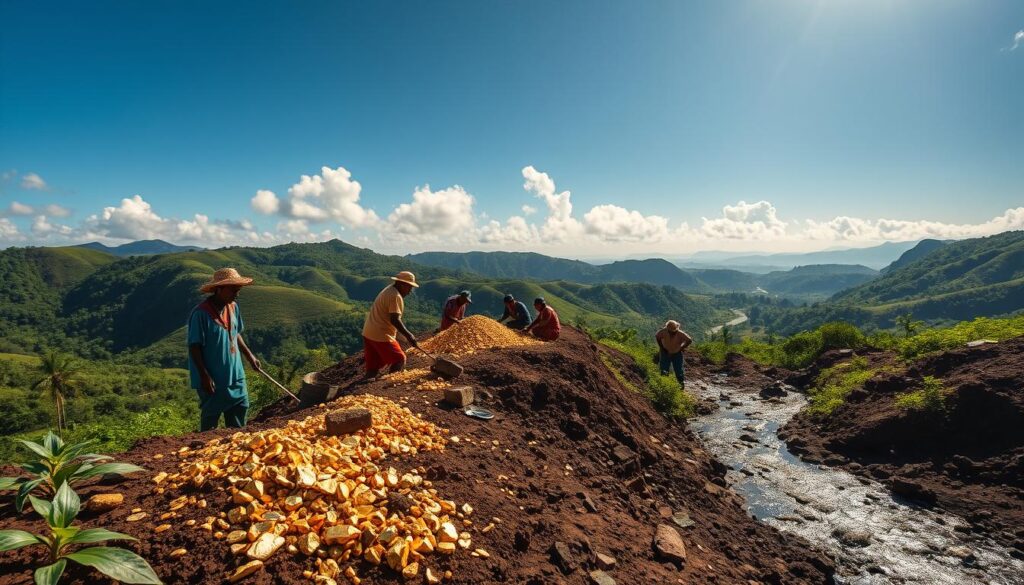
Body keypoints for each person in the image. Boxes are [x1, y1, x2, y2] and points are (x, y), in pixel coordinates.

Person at [188, 267, 261, 431]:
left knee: (240, 408)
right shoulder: (201, 314)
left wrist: (250, 356)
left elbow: (235, 333)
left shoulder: (233, 307)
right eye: (233, 290)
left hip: (235, 373)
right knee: (210, 416)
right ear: (218, 289)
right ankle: (205, 447)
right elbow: (194, 346)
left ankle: (235, 447)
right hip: (214, 376)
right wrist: (205, 376)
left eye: (238, 289)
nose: (237, 294)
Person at [362, 271, 422, 378]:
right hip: (381, 335)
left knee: (373, 367)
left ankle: (361, 389)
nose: (410, 291)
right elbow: (395, 320)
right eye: (409, 287)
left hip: (369, 332)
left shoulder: (389, 289)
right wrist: (409, 336)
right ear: (401, 284)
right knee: (399, 359)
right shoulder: (395, 296)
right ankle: (389, 383)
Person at [655, 320, 693, 387]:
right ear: (667, 329)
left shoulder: (680, 333)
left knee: (678, 369)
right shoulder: (663, 331)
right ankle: (664, 385)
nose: (672, 333)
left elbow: (689, 340)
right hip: (665, 352)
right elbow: (657, 337)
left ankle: (681, 384)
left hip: (677, 353)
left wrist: (681, 348)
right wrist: (662, 348)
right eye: (671, 331)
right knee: (664, 369)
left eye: (674, 331)